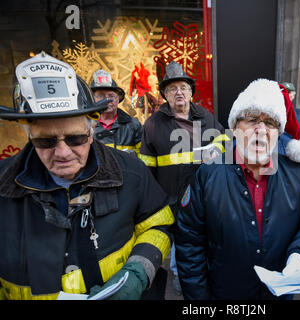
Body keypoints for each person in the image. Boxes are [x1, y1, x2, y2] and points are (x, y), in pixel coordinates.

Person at [0, 52, 174, 300]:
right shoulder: (3, 185)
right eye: (46, 141)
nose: (62, 153)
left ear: (91, 132)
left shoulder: (131, 172)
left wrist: (137, 273)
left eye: (75, 139)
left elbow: (160, 225)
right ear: (29, 137)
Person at [174, 78, 300, 300]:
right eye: (251, 119)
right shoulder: (208, 175)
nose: (260, 129)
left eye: (270, 123)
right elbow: (189, 244)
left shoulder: (297, 175)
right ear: (236, 128)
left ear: (278, 133)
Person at [139, 61, 228, 295]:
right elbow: (146, 168)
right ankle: (183, 280)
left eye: (183, 87)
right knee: (181, 246)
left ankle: (208, 276)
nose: (179, 92)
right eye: (172, 89)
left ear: (191, 92)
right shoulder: (152, 124)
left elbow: (224, 140)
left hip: (204, 196)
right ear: (165, 95)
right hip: (172, 199)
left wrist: (217, 150)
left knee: (206, 239)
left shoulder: (205, 117)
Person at [90, 69, 143, 156]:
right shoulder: (86, 125)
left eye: (111, 96)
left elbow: (143, 154)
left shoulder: (133, 125)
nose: (107, 100)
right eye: (100, 96)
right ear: (93, 99)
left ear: (118, 99)